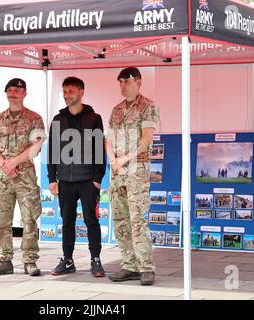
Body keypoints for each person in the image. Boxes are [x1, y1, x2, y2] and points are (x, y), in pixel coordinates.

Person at [0, 78, 45, 276]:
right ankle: (4, 260)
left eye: (17, 90)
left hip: (25, 176)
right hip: (3, 177)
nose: (13, 93)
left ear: (24, 93)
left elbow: (36, 146)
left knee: (29, 219)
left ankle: (30, 261)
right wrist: (4, 164)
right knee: (2, 220)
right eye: (10, 90)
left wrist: (14, 162)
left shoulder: (34, 118)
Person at [47, 76, 107, 277]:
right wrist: (52, 179)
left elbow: (99, 150)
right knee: (67, 222)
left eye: (71, 91)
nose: (67, 95)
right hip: (65, 181)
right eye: (64, 92)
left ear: (82, 92)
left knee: (91, 221)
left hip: (88, 180)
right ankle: (68, 260)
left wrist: (98, 178)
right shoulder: (57, 119)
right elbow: (53, 151)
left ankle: (95, 260)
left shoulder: (94, 118)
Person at [106, 67, 159, 285]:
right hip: (117, 171)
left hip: (136, 169)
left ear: (138, 82)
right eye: (120, 82)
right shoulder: (116, 109)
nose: (122, 85)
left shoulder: (148, 106)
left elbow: (146, 140)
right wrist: (112, 160)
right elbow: (107, 138)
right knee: (120, 220)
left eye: (126, 81)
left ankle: (146, 267)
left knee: (138, 219)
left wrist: (123, 159)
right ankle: (129, 265)